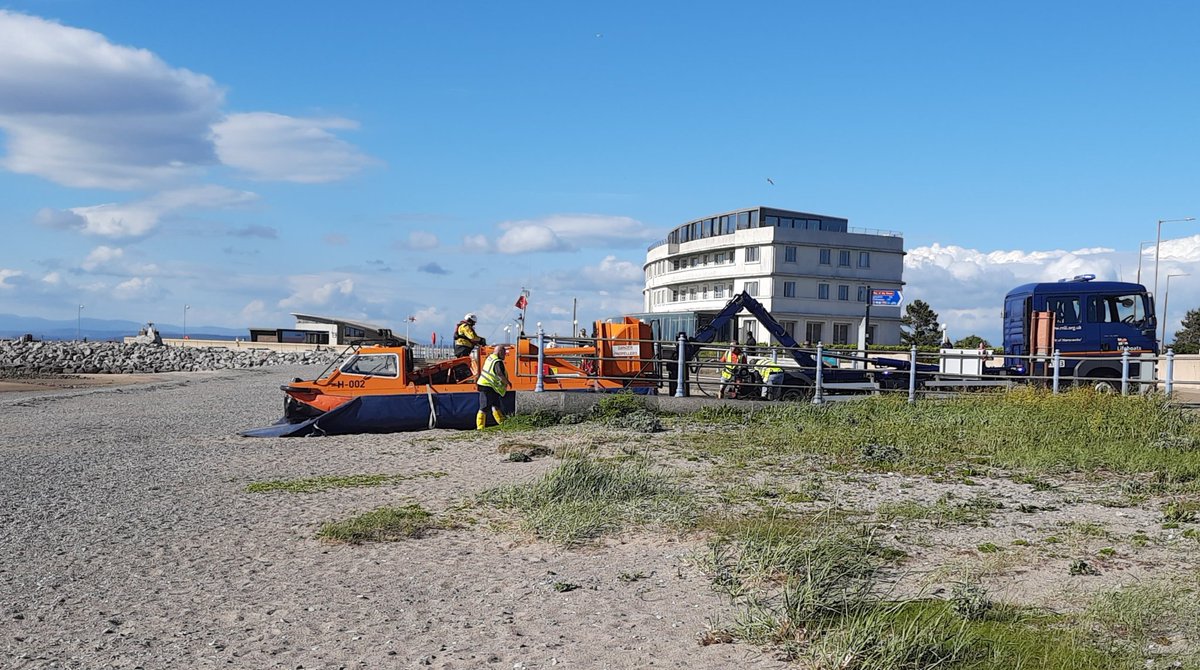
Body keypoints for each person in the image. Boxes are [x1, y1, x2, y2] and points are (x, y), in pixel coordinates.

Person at [476, 344, 511, 429]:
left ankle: (502, 423)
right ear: (500, 352)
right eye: (504, 353)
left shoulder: (490, 357)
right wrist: (507, 382)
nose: (505, 356)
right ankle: (480, 428)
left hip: (490, 386)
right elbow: (499, 374)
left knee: (495, 405)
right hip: (487, 385)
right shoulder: (497, 362)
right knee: (484, 407)